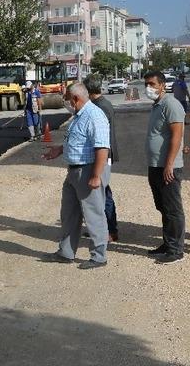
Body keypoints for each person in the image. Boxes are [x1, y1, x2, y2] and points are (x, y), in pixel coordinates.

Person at [42, 83, 111, 270]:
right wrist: (59, 150)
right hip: (74, 171)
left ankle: (98, 256)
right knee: (69, 213)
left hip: (88, 170)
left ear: (75, 99)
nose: (65, 101)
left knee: (94, 213)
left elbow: (102, 148)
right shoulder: (78, 116)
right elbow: (79, 142)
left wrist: (96, 176)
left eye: (66, 98)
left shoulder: (95, 116)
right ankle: (66, 252)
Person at [143, 71, 187, 265]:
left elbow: (177, 134)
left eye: (152, 84)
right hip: (155, 165)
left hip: (167, 167)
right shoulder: (157, 105)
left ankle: (176, 250)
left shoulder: (171, 104)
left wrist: (169, 164)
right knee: (162, 207)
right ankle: (168, 244)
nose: (148, 87)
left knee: (172, 208)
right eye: (146, 84)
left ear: (162, 85)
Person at [83, 74, 119, 243]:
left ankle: (110, 231)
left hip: (103, 156)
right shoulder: (99, 104)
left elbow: (101, 138)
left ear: (88, 89)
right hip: (101, 155)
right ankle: (100, 229)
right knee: (100, 195)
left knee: (104, 196)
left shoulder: (101, 107)